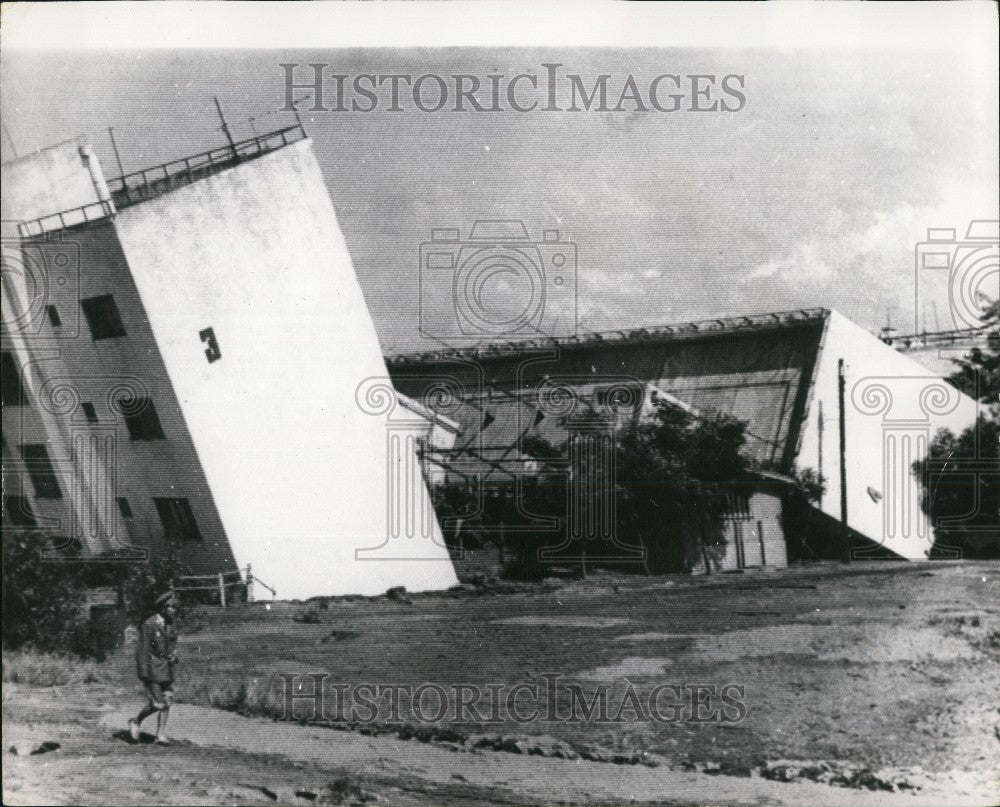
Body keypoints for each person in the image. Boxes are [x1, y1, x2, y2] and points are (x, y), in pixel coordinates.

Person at [129, 590, 179, 745]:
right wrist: (143, 673)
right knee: (157, 704)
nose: (174, 610)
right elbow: (142, 650)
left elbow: (170, 646)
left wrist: (173, 656)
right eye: (171, 607)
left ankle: (161, 734)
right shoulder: (149, 624)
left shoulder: (171, 624)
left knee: (167, 701)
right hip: (152, 671)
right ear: (163, 608)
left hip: (167, 670)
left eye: (175, 607)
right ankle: (136, 721)